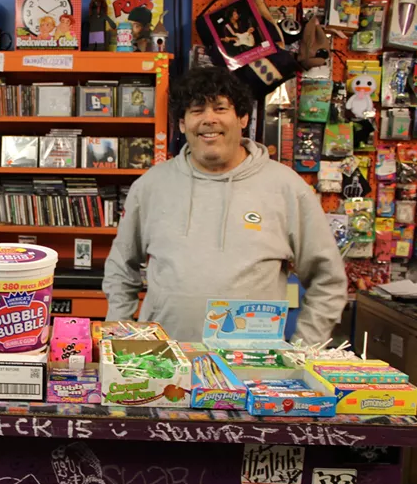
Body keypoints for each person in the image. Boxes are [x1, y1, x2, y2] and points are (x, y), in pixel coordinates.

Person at [103, 66, 347, 344]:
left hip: (254, 369)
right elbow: (121, 270)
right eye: (196, 111)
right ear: (182, 124)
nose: (209, 120)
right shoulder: (151, 186)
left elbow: (328, 280)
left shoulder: (287, 188)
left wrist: (303, 349)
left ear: (242, 118)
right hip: (164, 362)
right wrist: (119, 341)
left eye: (220, 109)